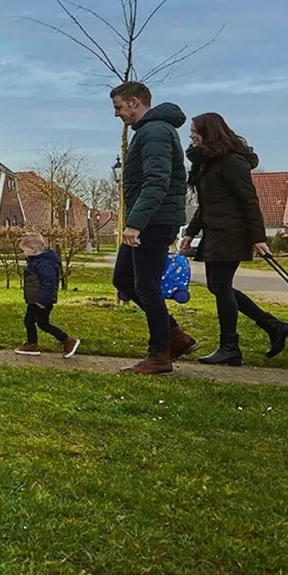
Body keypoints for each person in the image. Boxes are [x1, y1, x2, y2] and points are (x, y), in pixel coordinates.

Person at [180, 112, 288, 365]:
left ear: (209, 132)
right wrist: (190, 233)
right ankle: (274, 327)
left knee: (220, 287)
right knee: (218, 287)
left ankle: (230, 347)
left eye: (195, 131)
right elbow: (206, 204)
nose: (191, 136)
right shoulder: (208, 163)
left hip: (231, 232)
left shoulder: (232, 162)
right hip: (216, 231)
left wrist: (259, 237)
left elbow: (249, 200)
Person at [110, 80, 197, 374]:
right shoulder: (148, 131)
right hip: (148, 219)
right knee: (124, 279)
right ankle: (176, 336)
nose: (117, 114)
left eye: (118, 107)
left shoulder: (156, 131)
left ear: (135, 102)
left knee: (146, 286)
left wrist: (135, 224)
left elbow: (157, 181)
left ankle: (160, 355)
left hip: (154, 221)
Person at [14, 233, 81, 357]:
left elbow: (49, 283)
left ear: (33, 249)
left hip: (41, 300)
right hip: (35, 299)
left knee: (38, 322)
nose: (22, 253)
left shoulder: (44, 264)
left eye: (24, 250)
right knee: (36, 322)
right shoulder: (36, 262)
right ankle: (33, 343)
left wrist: (42, 300)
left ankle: (66, 340)